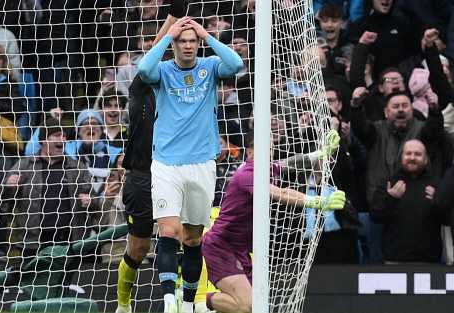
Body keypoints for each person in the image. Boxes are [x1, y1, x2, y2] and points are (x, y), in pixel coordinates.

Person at [137, 15, 243, 313]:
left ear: (198, 44)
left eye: (191, 41)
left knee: (193, 237)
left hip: (201, 163)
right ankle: (169, 300)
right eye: (182, 41)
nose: (187, 46)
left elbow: (235, 65)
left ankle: (187, 302)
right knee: (169, 230)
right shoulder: (163, 71)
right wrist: (168, 34)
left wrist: (208, 36)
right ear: (174, 45)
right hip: (167, 163)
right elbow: (143, 69)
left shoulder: (210, 68)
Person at [202, 131, 346, 313]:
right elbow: (281, 193)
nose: (269, 152)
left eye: (270, 148)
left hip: (241, 250)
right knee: (247, 306)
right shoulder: (247, 174)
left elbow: (292, 163)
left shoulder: (268, 168)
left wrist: (322, 153)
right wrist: (317, 202)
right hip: (221, 246)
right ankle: (201, 304)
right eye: (264, 148)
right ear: (249, 152)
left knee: (257, 306)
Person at [115, 2, 186, 312]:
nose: (152, 52)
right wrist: (173, 17)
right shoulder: (140, 85)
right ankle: (123, 304)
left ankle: (180, 301)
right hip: (141, 176)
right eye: (146, 48)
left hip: (172, 173)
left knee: (178, 237)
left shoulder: (177, 85)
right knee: (139, 247)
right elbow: (151, 55)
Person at [0, 117, 95, 257]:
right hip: (33, 242)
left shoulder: (77, 167)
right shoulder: (25, 165)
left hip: (68, 241)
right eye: (56, 135)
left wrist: (90, 200)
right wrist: (8, 186)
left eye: (64, 136)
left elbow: (93, 200)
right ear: (43, 140)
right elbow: (1, 198)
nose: (62, 139)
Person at [370, 139, 445, 263]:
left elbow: (447, 220)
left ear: (426, 159)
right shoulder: (389, 183)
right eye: (408, 153)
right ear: (401, 158)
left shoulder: (437, 184)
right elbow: (375, 216)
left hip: (429, 262)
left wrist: (438, 202)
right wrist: (391, 198)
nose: (412, 157)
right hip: (394, 260)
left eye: (418, 154)